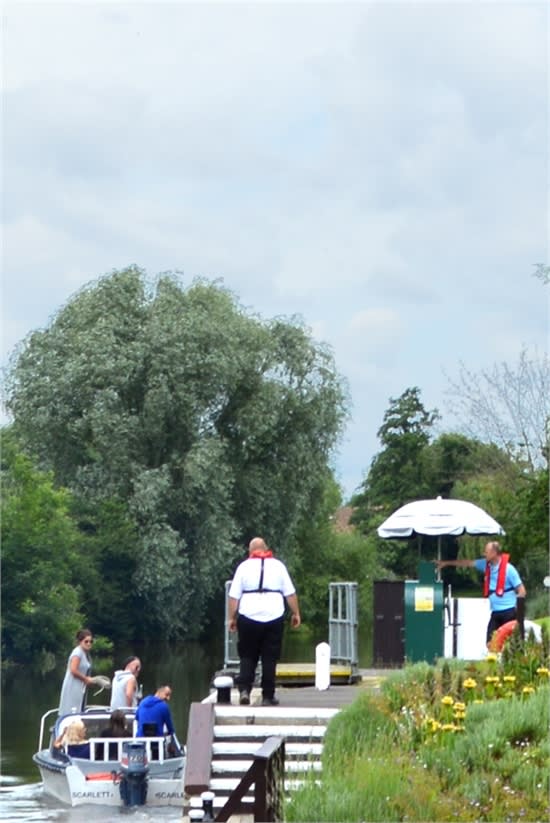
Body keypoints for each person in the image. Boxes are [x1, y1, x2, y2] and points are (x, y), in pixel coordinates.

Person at [228, 536, 301, 706]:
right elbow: (290, 593)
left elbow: (233, 596)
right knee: (270, 657)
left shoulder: (243, 567)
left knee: (247, 655)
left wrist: (231, 618)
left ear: (250, 551)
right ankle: (268, 695)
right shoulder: (278, 566)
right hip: (274, 615)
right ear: (266, 548)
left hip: (248, 616)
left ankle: (244, 689)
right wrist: (296, 613)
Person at [436, 541, 526, 647]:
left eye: (486, 552)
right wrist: (445, 563)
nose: (484, 554)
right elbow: (467, 563)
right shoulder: (485, 565)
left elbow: (522, 591)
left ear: (494, 553)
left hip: (509, 612)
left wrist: (519, 613)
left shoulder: (509, 569)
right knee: (490, 644)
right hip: (496, 613)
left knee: (511, 644)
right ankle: (494, 661)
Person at [58, 629, 94, 717]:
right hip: (72, 685)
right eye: (86, 641)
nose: (89, 643)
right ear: (80, 641)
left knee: (78, 708)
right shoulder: (78, 652)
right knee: (71, 709)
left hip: (79, 686)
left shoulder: (85, 653)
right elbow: (73, 670)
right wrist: (85, 679)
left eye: (91, 641)